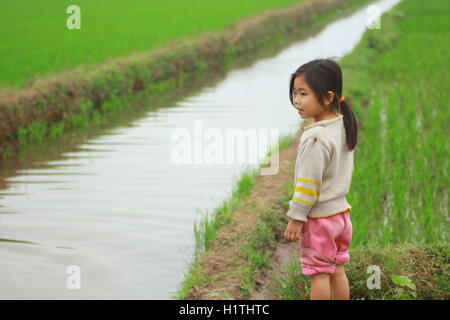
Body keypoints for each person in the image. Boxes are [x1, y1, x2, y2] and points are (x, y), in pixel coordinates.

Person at [283, 58, 358, 300]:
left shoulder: (315, 137)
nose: (297, 100)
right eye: (295, 93)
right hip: (341, 216)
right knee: (337, 269)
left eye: (303, 93)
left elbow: (308, 184)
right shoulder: (343, 125)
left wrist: (297, 216)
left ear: (327, 97)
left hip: (319, 219)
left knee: (319, 274)